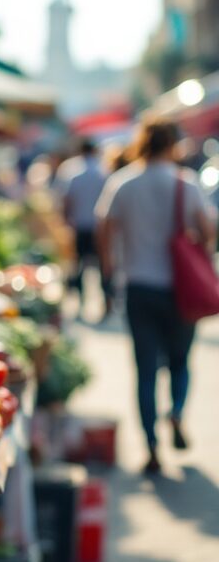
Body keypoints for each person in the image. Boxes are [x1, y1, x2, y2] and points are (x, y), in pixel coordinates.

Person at [96, 120, 217, 473]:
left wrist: (109, 269)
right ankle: (177, 412)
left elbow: (104, 226)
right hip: (181, 289)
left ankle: (151, 447)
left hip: (138, 287)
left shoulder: (124, 183)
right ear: (173, 145)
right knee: (180, 361)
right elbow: (208, 230)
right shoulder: (185, 183)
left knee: (145, 371)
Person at [55, 139, 112, 320]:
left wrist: (65, 221)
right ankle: (107, 303)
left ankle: (80, 303)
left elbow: (66, 200)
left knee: (79, 266)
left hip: (79, 225)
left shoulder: (72, 171)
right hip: (99, 227)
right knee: (102, 266)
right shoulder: (104, 171)